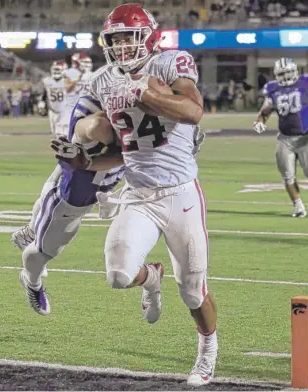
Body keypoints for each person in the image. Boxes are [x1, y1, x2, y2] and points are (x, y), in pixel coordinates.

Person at [87, 4, 216, 386]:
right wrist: (82, 157)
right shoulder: (101, 80)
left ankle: (208, 351)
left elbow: (193, 112)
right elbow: (119, 145)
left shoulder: (170, 63)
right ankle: (151, 278)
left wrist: (147, 95)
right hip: (138, 193)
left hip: (180, 194)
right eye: (116, 39)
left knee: (193, 294)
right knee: (117, 275)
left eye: (129, 36)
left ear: (148, 36)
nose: (123, 45)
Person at [14, 95, 125, 315]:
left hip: (87, 184)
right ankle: (32, 281)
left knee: (55, 182)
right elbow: (97, 127)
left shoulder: (132, 112)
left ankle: (33, 226)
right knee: (43, 252)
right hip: (72, 201)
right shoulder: (98, 117)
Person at [253, 58, 308, 218]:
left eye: (288, 72)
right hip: (285, 138)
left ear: (295, 71)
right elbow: (265, 112)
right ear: (277, 75)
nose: (286, 76)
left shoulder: (306, 82)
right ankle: (298, 206)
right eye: (283, 73)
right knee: (287, 175)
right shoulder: (272, 88)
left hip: (306, 136)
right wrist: (260, 122)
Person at [55, 53, 93, 136]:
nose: (87, 65)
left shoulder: (91, 75)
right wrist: (77, 79)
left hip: (84, 107)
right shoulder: (69, 73)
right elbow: (68, 89)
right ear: (77, 62)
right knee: (65, 135)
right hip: (70, 107)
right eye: (84, 62)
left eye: (88, 62)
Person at [39, 60, 66, 135]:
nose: (56, 71)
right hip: (52, 110)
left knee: (64, 133)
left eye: (58, 69)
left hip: (64, 111)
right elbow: (44, 94)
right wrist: (42, 104)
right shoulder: (47, 81)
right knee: (54, 133)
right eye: (55, 69)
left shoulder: (67, 81)